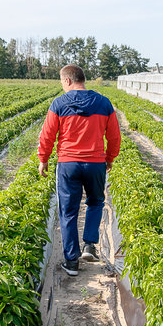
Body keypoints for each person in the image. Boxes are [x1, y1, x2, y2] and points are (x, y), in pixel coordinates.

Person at [38, 64, 121, 276]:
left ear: (67, 81)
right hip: (95, 163)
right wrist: (109, 158)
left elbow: (47, 135)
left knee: (68, 210)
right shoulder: (103, 103)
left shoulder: (59, 103)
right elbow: (114, 136)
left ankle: (71, 261)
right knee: (95, 202)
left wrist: (43, 158)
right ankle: (89, 246)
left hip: (68, 164)